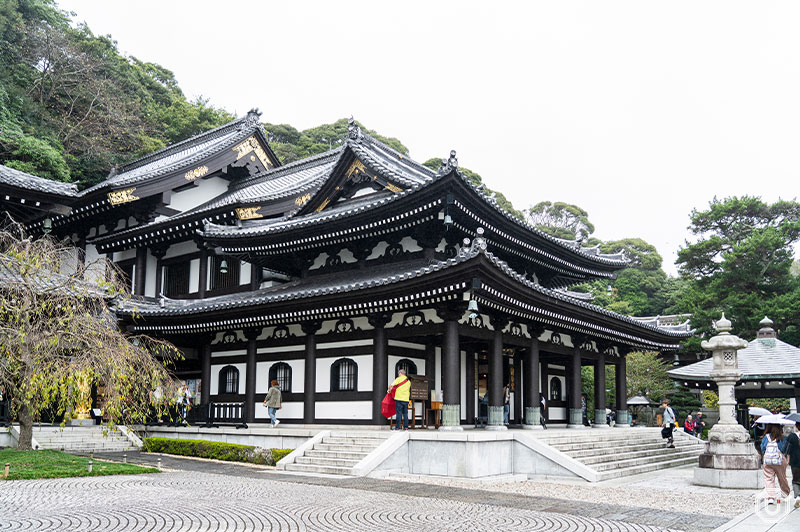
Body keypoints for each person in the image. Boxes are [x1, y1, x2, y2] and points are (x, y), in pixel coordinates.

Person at [762, 424, 790, 504]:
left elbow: (763, 448)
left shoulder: (766, 437)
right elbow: (784, 449)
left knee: (768, 478)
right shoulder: (782, 438)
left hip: (768, 461)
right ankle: (785, 494)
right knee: (782, 478)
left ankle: (770, 497)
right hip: (779, 460)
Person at [785, 422, 800, 509]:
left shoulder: (792, 437)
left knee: (796, 481)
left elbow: (786, 449)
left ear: (797, 426)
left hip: (795, 462)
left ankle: (797, 496)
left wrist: (788, 459)